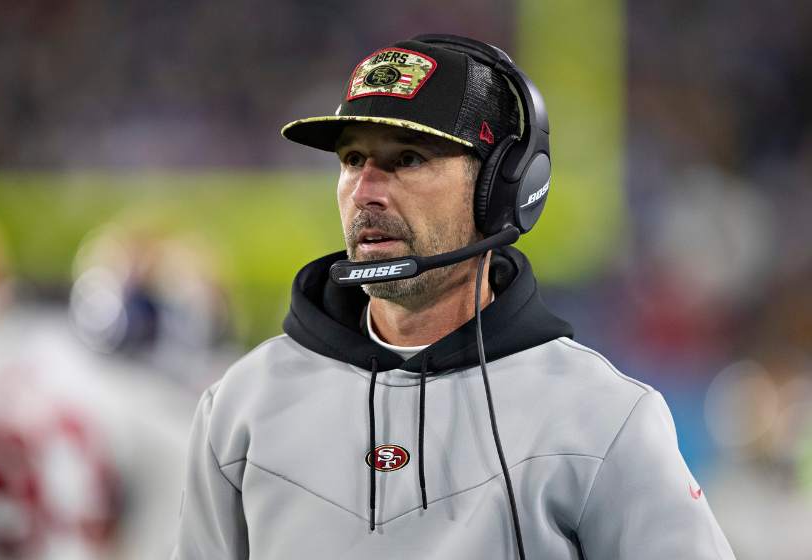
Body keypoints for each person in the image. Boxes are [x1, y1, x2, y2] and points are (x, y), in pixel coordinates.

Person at [173, 35, 735, 559]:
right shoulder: (238, 408)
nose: (366, 191)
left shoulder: (603, 419)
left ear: (500, 189)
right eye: (351, 160)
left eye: (408, 159)